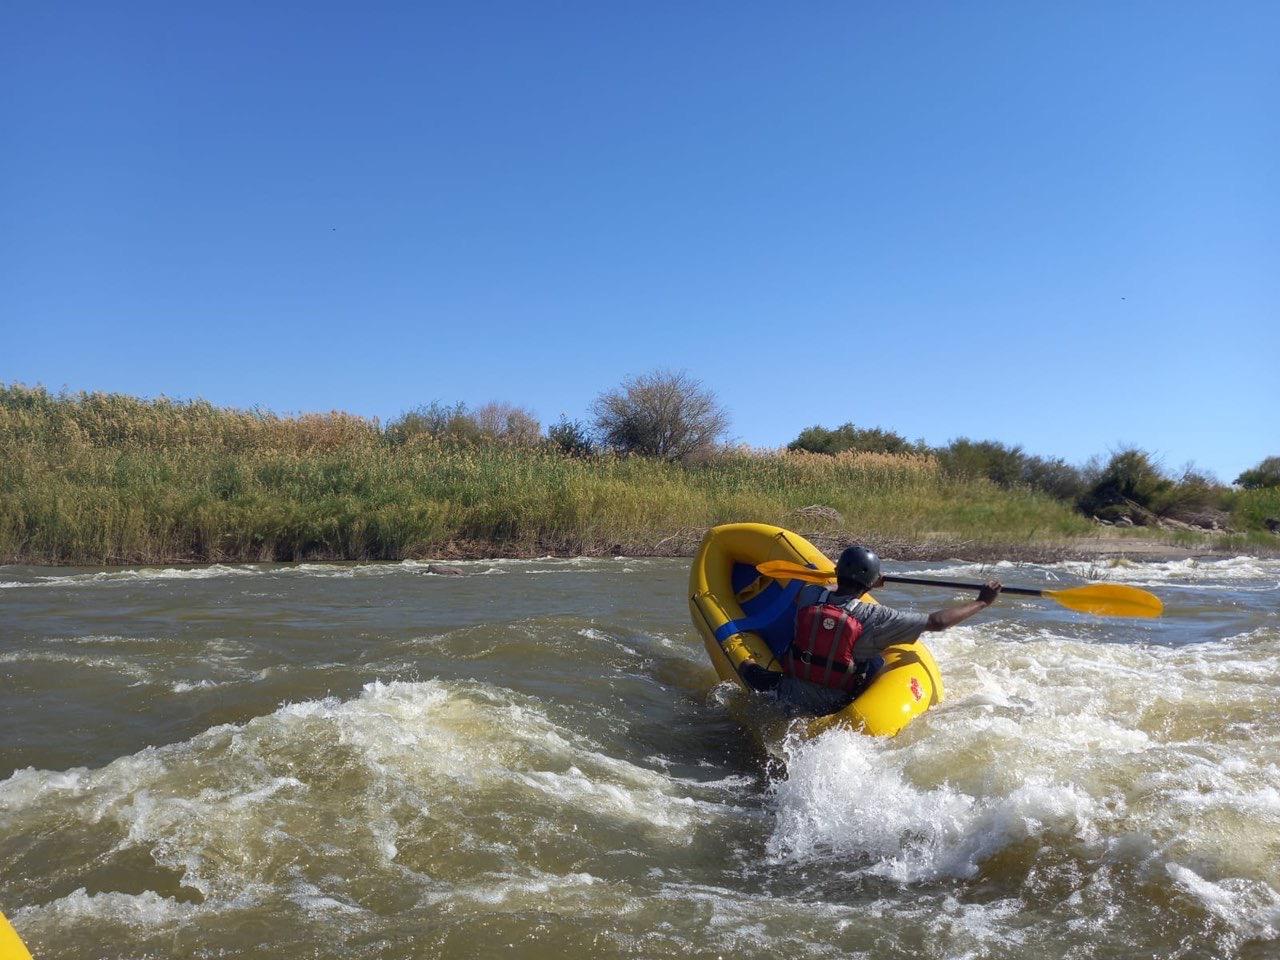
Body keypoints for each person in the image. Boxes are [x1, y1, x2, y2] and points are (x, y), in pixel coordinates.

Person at [739, 544, 1002, 716]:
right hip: (833, 703)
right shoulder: (877, 618)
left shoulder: (809, 595)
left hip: (790, 690)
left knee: (747, 668)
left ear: (838, 571)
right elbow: (937, 622)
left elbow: (830, 592)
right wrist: (982, 601)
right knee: (874, 661)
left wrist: (863, 583)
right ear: (872, 582)